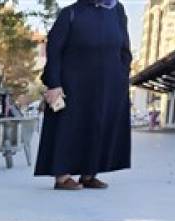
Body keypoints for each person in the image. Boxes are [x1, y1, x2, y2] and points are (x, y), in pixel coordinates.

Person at [35, 0, 132, 190]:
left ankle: (89, 173)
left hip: (108, 84)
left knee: (99, 126)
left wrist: (122, 75)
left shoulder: (117, 10)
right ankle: (62, 177)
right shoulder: (70, 13)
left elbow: (124, 48)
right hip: (73, 84)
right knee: (69, 126)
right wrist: (54, 84)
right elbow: (54, 51)